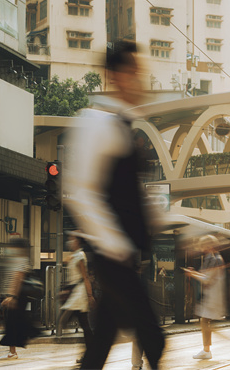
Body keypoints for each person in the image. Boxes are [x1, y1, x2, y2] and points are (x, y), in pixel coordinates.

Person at [64, 41, 165, 369]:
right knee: (152, 334)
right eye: (132, 72)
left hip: (122, 251)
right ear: (113, 76)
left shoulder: (121, 124)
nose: (139, 80)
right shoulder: (96, 122)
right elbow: (81, 191)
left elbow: (125, 188)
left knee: (104, 337)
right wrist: (113, 243)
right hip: (113, 252)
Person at [184, 235, 226, 360]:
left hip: (212, 295)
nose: (201, 248)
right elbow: (206, 276)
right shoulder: (213, 257)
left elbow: (207, 279)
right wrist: (195, 273)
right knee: (204, 321)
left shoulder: (214, 259)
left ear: (209, 245)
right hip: (210, 295)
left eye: (203, 245)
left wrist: (192, 274)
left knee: (204, 321)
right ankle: (206, 349)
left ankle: (206, 350)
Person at [0, 237, 38, 359]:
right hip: (15, 296)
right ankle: (14, 349)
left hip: (16, 296)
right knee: (14, 322)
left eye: (12, 247)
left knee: (12, 324)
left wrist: (12, 297)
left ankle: (13, 351)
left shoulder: (20, 260)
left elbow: (18, 278)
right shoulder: (19, 259)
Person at [58, 233, 94, 363]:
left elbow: (85, 277)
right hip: (75, 293)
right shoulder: (75, 255)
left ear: (78, 242)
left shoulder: (79, 256)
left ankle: (90, 354)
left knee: (65, 319)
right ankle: (90, 355)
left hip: (79, 294)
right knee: (85, 325)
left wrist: (90, 296)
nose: (70, 242)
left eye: (72, 240)